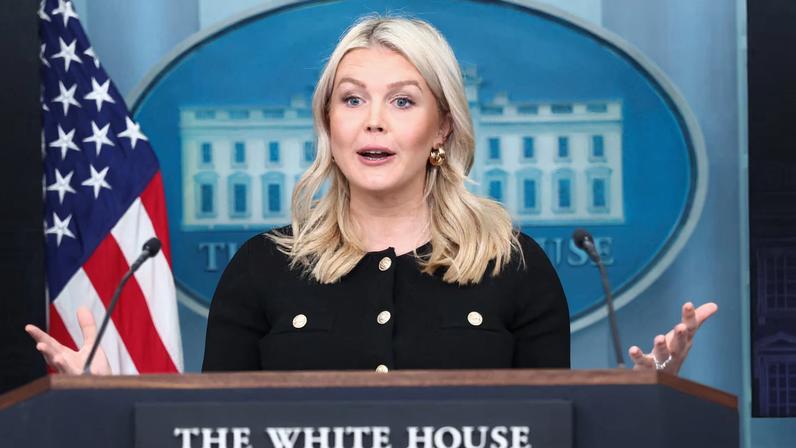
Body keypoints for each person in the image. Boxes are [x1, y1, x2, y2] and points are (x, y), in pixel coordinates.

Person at [25, 15, 717, 375]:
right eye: (351, 100)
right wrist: (104, 400)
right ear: (329, 123)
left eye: (403, 101)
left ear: (442, 125)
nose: (374, 121)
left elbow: (553, 432)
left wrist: (644, 398)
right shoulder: (262, 270)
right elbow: (213, 433)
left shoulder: (517, 268)